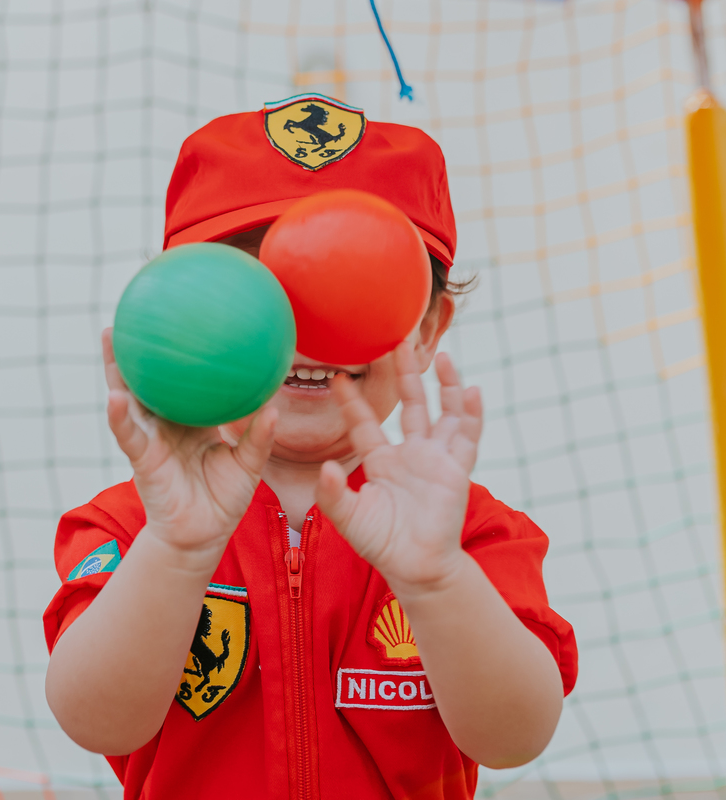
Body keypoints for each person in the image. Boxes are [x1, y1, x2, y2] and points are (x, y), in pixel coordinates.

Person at [42, 93, 578, 800]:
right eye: (254, 284)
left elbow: (516, 736)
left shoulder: (468, 535)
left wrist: (437, 580)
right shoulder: (131, 524)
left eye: (352, 275)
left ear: (424, 329)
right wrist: (175, 551)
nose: (300, 323)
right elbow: (95, 720)